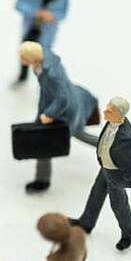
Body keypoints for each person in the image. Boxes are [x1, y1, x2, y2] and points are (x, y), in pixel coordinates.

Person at [18, 42, 98, 193]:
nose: (20, 59)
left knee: (45, 143)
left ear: (31, 57)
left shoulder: (52, 73)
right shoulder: (40, 63)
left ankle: (42, 181)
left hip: (64, 112)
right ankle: (109, 147)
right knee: (78, 134)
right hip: (55, 107)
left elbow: (63, 98)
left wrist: (49, 114)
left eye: (22, 56)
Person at [70, 97, 131, 251]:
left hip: (116, 175)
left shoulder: (128, 137)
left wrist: (125, 176)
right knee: (96, 195)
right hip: (104, 169)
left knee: (119, 206)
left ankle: (129, 233)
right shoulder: (110, 123)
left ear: (119, 114)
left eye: (109, 111)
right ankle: (86, 223)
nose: (105, 112)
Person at [14, 0, 69, 85]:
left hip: (47, 32)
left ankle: (45, 81)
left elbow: (63, 13)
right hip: (30, 29)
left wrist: (52, 16)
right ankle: (22, 77)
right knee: (25, 53)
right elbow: (18, 4)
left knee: (45, 56)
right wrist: (34, 12)